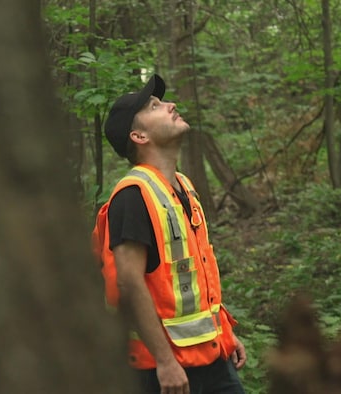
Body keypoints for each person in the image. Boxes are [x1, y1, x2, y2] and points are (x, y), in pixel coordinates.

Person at [92, 74, 247, 394]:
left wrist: (226, 334)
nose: (170, 105)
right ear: (138, 135)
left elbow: (193, 275)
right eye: (155, 106)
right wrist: (165, 362)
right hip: (163, 372)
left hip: (213, 361)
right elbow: (128, 282)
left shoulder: (184, 186)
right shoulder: (132, 195)